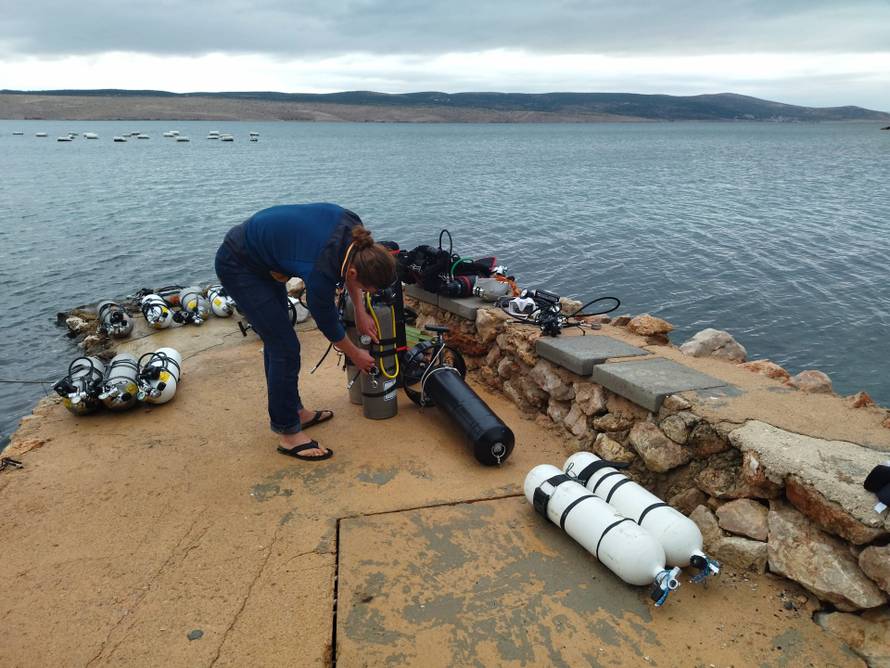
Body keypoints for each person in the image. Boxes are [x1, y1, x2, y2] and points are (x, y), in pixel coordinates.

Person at [214, 203, 396, 460]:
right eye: (367, 290)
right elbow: (328, 323)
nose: (367, 294)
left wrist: (360, 309)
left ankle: (295, 411)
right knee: (284, 348)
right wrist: (355, 354)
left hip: (263, 257)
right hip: (240, 265)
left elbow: (349, 272)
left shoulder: (355, 233)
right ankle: (288, 434)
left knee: (279, 342)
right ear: (355, 273)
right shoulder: (321, 270)